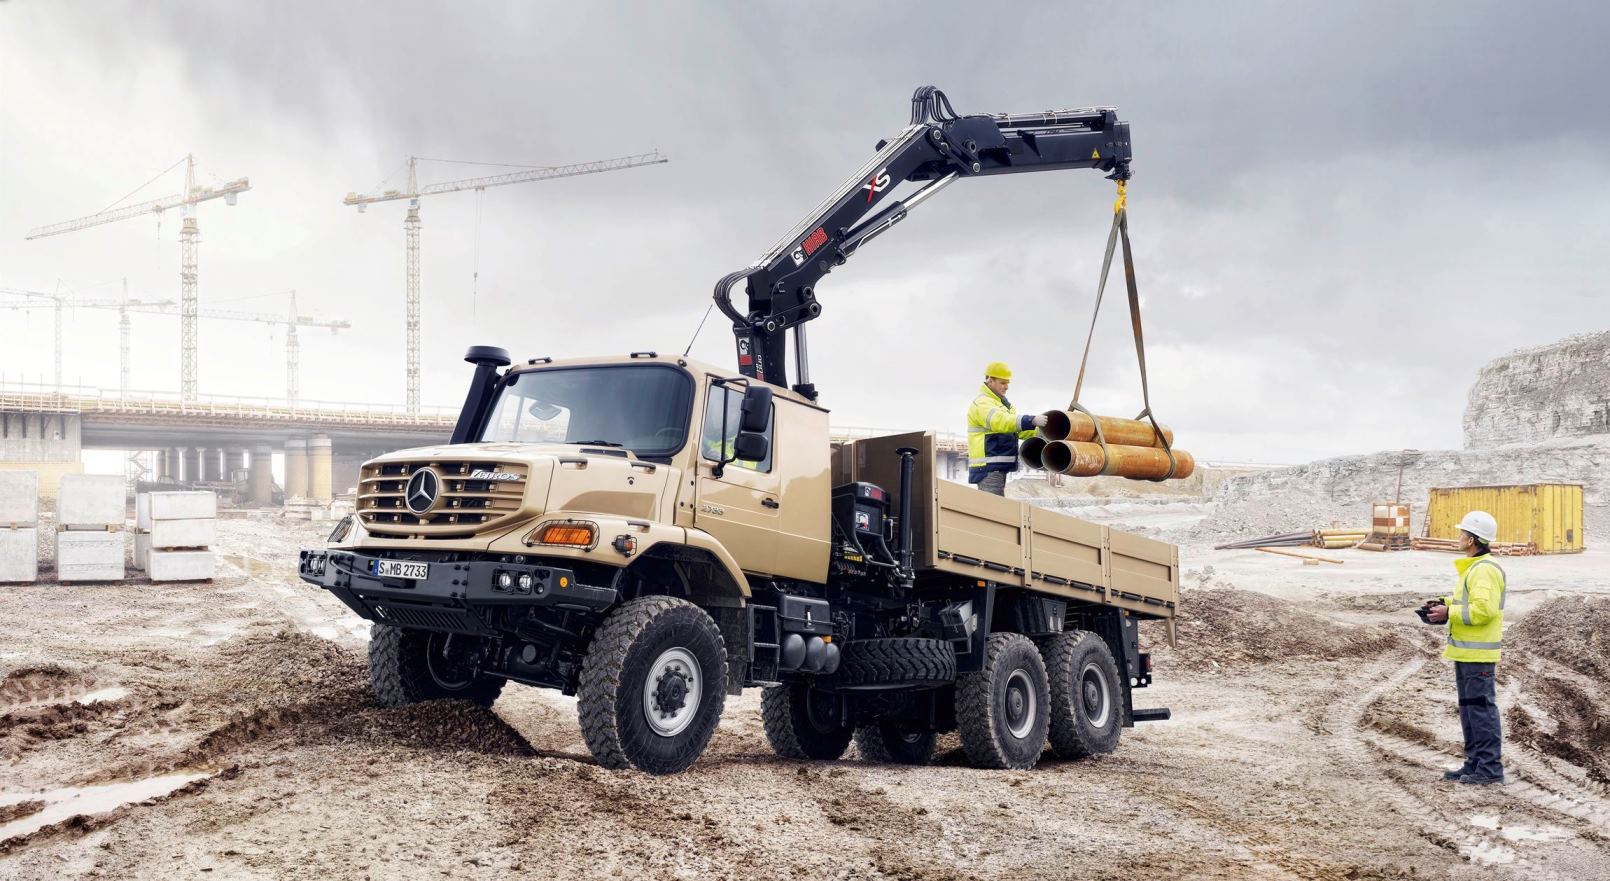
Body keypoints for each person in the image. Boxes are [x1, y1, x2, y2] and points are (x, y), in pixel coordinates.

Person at [1424, 510, 1507, 785]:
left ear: (1472, 540)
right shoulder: (1475, 568)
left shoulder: (1484, 570)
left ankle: (1489, 770)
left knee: (1481, 711)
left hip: (1478, 655)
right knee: (1471, 711)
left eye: (1462, 533)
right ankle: (1474, 764)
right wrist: (1445, 606)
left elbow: (1483, 611)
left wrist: (1450, 614)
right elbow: (1469, 604)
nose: (1458, 537)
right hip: (1468, 654)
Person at [966, 362, 1048, 496]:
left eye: (1008, 383)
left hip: (997, 467)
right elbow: (1000, 421)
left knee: (997, 510)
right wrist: (1030, 420)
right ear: (990, 381)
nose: (1006, 387)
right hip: (987, 468)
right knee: (993, 511)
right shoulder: (982, 403)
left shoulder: (1002, 404)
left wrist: (1043, 433)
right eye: (1003, 383)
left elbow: (1016, 428)